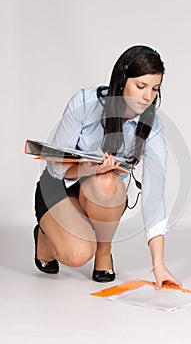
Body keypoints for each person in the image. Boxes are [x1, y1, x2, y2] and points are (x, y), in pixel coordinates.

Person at [33, 44, 182, 289]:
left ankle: (104, 250)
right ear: (122, 81)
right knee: (76, 255)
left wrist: (159, 264)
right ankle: (44, 238)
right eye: (140, 86)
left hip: (101, 196)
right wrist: (89, 168)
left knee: (107, 181)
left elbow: (154, 193)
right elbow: (55, 167)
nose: (148, 97)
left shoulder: (152, 127)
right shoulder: (85, 103)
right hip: (59, 187)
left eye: (155, 89)